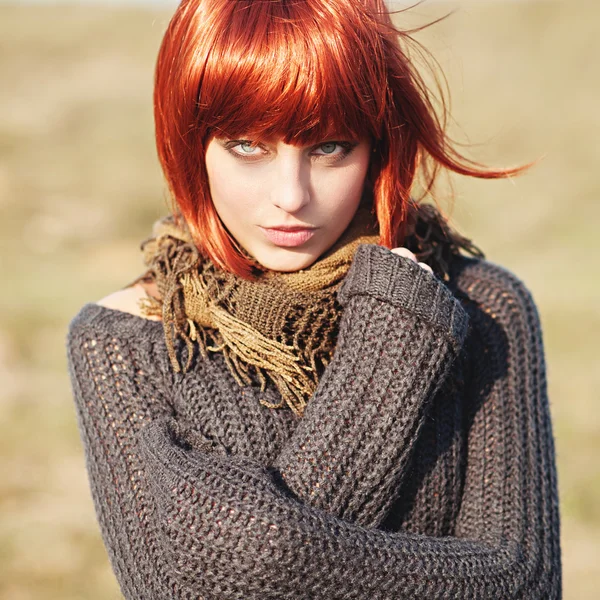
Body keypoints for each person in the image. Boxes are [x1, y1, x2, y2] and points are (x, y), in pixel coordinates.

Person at [66, 0, 562, 598]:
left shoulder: (481, 307)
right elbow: (178, 590)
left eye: (329, 148)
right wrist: (389, 352)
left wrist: (250, 548)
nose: (291, 196)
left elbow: (521, 582)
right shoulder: (125, 340)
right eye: (247, 145)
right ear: (191, 144)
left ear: (378, 145)